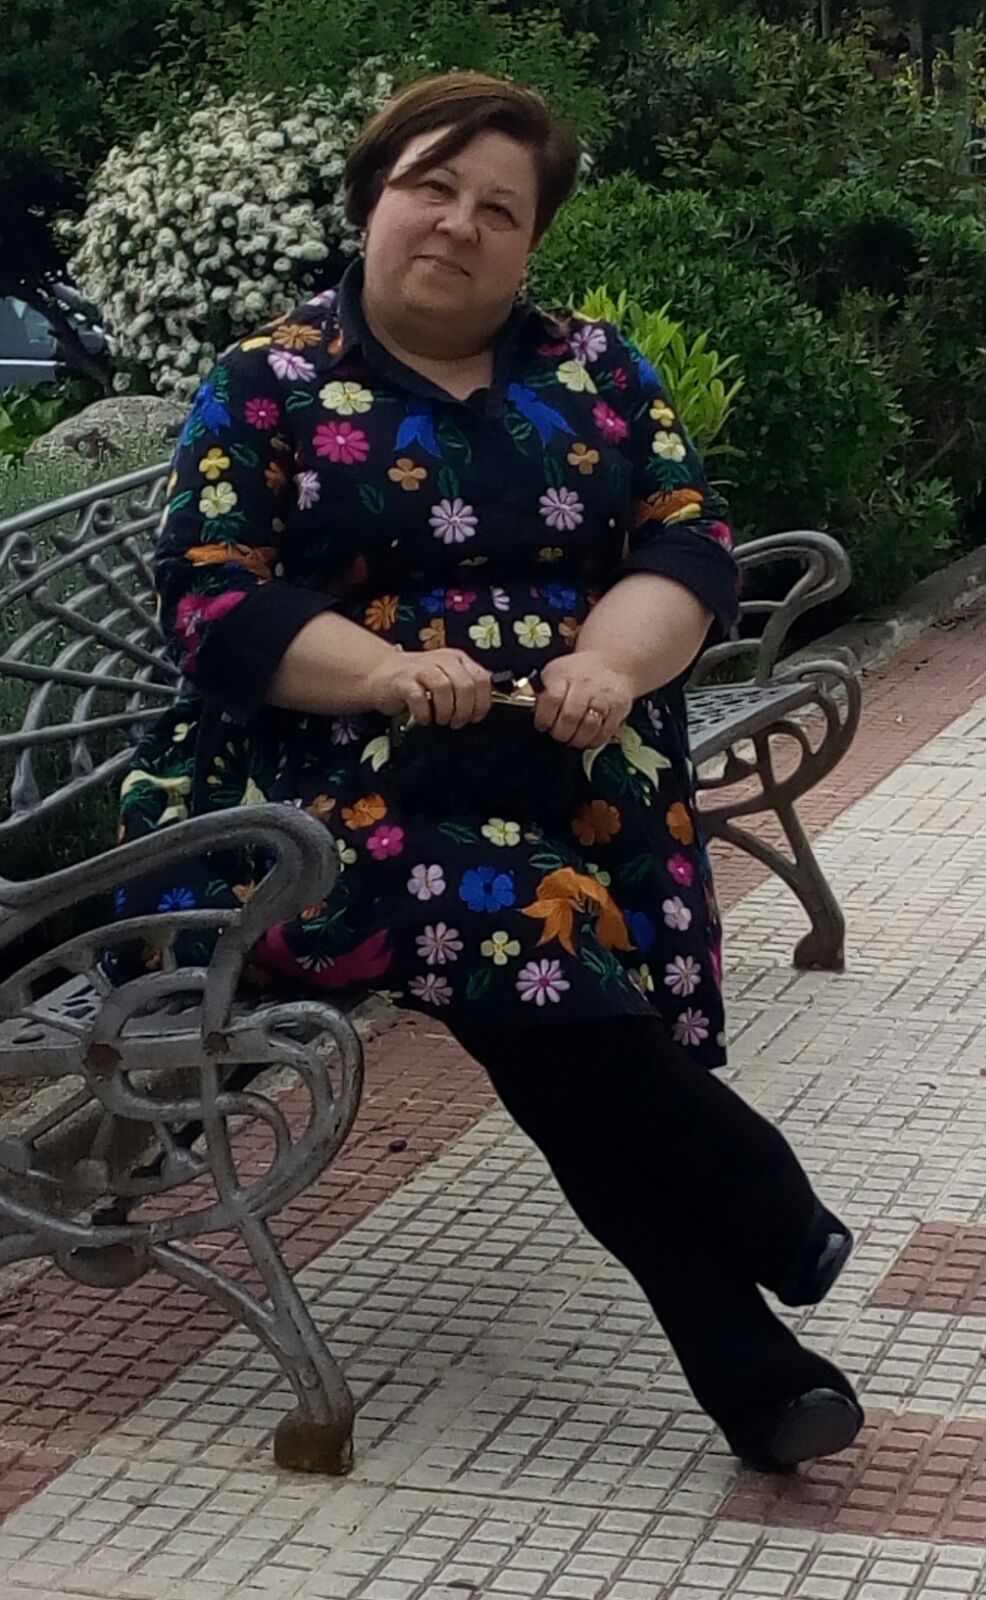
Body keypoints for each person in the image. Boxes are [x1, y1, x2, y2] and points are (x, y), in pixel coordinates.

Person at [116, 70, 863, 1471]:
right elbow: (214, 600)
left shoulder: (599, 371)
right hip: (322, 797)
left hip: (567, 771)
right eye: (431, 187)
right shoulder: (265, 383)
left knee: (544, 998)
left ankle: (751, 1366)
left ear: (532, 240)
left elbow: (687, 542)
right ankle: (750, 1188)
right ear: (372, 199)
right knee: (523, 934)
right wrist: (388, 674)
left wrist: (614, 664)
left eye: (498, 208)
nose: (458, 224)